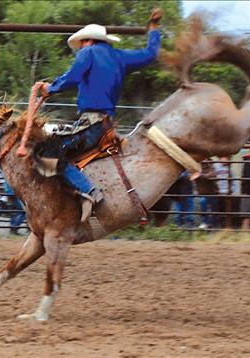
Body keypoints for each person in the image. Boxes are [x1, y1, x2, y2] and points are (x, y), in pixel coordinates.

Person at [36, 8, 163, 221]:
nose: (80, 49)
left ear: (88, 41)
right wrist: (153, 28)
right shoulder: (120, 57)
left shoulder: (87, 53)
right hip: (105, 125)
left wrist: (51, 88)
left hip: (91, 125)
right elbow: (151, 54)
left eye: (81, 44)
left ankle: (89, 192)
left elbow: (73, 76)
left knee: (46, 153)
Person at [195, 160, 220, 229]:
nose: (204, 163)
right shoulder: (196, 168)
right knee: (204, 206)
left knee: (214, 210)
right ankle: (205, 223)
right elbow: (191, 176)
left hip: (212, 192)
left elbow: (212, 175)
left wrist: (200, 175)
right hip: (203, 193)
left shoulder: (211, 167)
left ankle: (212, 225)